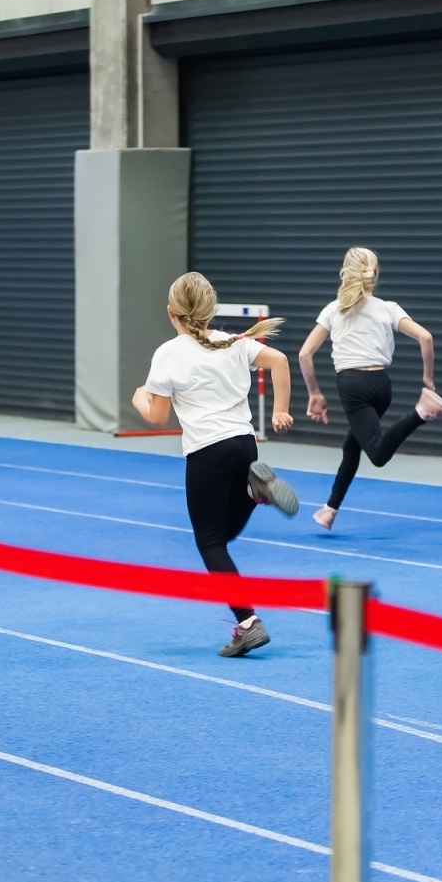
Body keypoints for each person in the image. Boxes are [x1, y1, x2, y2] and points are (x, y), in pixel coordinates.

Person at [132, 272, 299, 657]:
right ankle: (254, 489)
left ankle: (248, 622)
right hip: (245, 445)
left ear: (171, 313)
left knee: (209, 543)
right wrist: (280, 411)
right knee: (221, 538)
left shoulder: (169, 353)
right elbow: (279, 360)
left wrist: (140, 396)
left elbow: (157, 416)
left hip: (207, 452)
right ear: (211, 308)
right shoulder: (234, 342)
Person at [298, 247, 442, 532]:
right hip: (382, 387)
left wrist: (315, 393)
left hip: (353, 387)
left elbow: (304, 355)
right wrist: (429, 380)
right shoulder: (388, 308)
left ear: (346, 272)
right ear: (375, 274)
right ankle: (330, 509)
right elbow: (426, 337)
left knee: (377, 454)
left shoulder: (334, 309)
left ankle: (422, 412)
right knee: (353, 444)